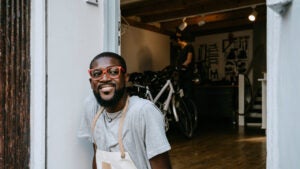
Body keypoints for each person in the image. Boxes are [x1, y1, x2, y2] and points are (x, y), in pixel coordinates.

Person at [78, 52, 172, 169]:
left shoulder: (143, 112)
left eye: (113, 71)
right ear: (91, 83)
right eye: (97, 74)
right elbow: (97, 155)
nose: (105, 78)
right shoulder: (92, 108)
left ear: (126, 77)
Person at [175, 30, 195, 98]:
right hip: (181, 75)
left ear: (179, 40)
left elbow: (188, 60)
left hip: (187, 74)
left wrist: (181, 66)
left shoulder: (189, 46)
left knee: (187, 93)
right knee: (181, 93)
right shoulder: (180, 50)